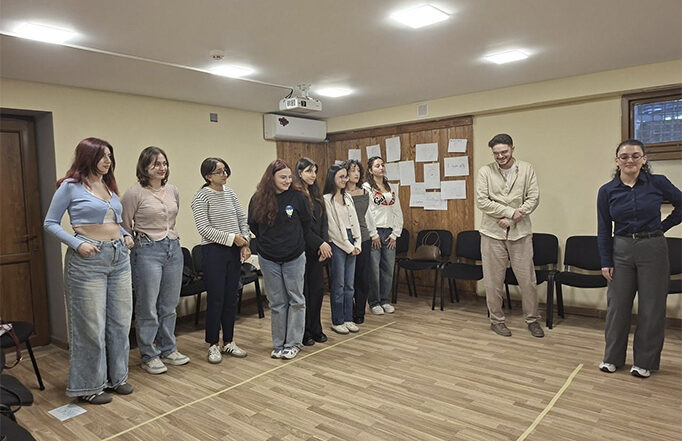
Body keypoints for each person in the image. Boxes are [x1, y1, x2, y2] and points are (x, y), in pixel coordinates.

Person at [44, 137, 134, 404]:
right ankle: (88, 387)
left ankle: (117, 378)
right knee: (91, 327)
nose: (108, 161)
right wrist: (77, 243)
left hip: (118, 257)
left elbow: (114, 221)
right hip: (87, 261)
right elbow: (50, 223)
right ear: (88, 157)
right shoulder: (70, 186)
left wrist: (126, 234)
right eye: (102, 156)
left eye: (110, 156)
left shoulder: (107, 185)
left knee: (120, 323)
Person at [597, 139, 681, 378]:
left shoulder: (658, 183)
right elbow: (603, 228)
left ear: (644, 159)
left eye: (635, 155)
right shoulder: (607, 191)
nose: (630, 160)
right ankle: (612, 358)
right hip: (621, 249)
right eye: (624, 156)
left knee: (652, 307)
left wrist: (662, 227)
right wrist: (605, 261)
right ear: (617, 161)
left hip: (653, 249)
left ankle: (645, 362)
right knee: (618, 306)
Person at [121, 146, 189, 375]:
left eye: (164, 163)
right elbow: (124, 224)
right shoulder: (134, 193)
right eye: (156, 164)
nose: (162, 168)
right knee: (148, 306)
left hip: (173, 248)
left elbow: (173, 217)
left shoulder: (172, 190)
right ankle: (149, 354)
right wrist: (132, 242)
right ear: (145, 167)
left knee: (169, 305)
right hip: (147, 250)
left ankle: (168, 348)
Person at [475, 133, 544, 338]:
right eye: (496, 153)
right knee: (493, 282)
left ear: (512, 149)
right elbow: (482, 201)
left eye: (504, 152)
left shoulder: (526, 169)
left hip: (520, 232)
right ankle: (496, 321)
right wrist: (510, 212)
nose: (500, 156)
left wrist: (513, 219)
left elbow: (533, 198)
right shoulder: (485, 171)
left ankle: (532, 320)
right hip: (492, 232)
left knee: (528, 281)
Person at [248, 159, 314, 360]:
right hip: (268, 258)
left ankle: (293, 343)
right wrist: (267, 244)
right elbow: (253, 225)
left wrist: (294, 242)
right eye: (282, 177)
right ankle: (278, 343)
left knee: (296, 300)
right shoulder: (258, 199)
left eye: (289, 177)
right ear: (271, 178)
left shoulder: (298, 197)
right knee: (277, 302)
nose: (287, 181)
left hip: (294, 256)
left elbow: (306, 223)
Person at [191, 158, 250, 364]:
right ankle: (213, 344)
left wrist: (245, 242)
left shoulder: (230, 193)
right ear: (208, 176)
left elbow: (242, 219)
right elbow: (204, 229)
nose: (224, 174)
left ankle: (229, 341)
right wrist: (232, 238)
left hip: (234, 250)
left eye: (225, 170)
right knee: (216, 298)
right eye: (219, 171)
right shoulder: (201, 197)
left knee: (231, 297)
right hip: (213, 251)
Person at [294, 158, 332, 347]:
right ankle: (305, 332)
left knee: (317, 292)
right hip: (303, 249)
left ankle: (316, 328)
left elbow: (323, 222)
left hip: (318, 250)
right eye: (309, 171)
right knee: (305, 293)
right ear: (299, 173)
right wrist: (320, 243)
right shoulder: (295, 195)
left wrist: (324, 243)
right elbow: (302, 227)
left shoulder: (316, 194)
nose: (313, 175)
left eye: (315, 171)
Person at [324, 164, 362, 334]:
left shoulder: (348, 197)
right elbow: (332, 228)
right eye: (341, 176)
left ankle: (348, 318)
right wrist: (348, 246)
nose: (344, 180)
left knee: (349, 284)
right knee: (338, 284)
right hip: (338, 243)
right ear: (332, 178)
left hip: (352, 241)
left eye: (345, 176)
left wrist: (358, 243)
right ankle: (338, 320)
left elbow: (356, 222)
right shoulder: (327, 199)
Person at [363, 156, 403, 315]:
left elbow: (397, 210)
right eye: (377, 165)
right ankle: (374, 302)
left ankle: (385, 300)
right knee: (374, 269)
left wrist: (396, 233)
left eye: (382, 165)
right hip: (375, 232)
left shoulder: (390, 186)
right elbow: (367, 212)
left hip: (389, 232)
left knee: (388, 268)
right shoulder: (366, 187)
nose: (381, 168)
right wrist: (373, 234)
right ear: (370, 170)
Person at [344, 159, 379, 324]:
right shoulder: (340, 193)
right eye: (352, 170)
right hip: (346, 238)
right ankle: (348, 310)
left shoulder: (365, 192)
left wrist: (373, 234)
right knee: (347, 278)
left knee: (362, 277)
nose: (356, 174)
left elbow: (369, 215)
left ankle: (359, 312)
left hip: (363, 237)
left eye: (358, 170)